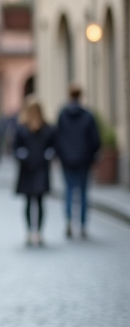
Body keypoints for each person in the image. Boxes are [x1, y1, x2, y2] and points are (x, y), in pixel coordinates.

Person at [54, 83, 101, 238]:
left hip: (67, 160)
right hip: (84, 160)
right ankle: (82, 225)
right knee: (82, 193)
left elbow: (57, 138)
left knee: (68, 191)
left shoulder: (62, 115)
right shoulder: (88, 115)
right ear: (80, 96)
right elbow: (95, 140)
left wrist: (60, 155)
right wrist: (91, 155)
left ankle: (68, 221)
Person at [12, 96, 56, 247]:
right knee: (28, 202)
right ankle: (30, 231)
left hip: (41, 169)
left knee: (40, 201)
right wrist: (21, 155)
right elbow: (15, 148)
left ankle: (39, 232)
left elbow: (54, 146)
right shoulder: (21, 128)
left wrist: (49, 154)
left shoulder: (47, 128)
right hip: (27, 169)